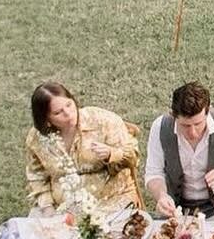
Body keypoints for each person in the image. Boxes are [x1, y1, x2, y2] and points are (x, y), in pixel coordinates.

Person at [24, 81, 140, 214]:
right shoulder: (37, 138)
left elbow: (132, 156)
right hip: (61, 206)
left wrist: (111, 154)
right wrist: (47, 207)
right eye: (58, 113)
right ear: (46, 120)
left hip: (110, 200)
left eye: (69, 105)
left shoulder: (102, 121)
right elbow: (36, 176)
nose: (68, 113)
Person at [144, 81, 214, 217]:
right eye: (185, 126)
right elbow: (154, 172)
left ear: (208, 111)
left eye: (198, 124)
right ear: (173, 115)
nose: (193, 133)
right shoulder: (160, 127)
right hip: (177, 208)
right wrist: (161, 196)